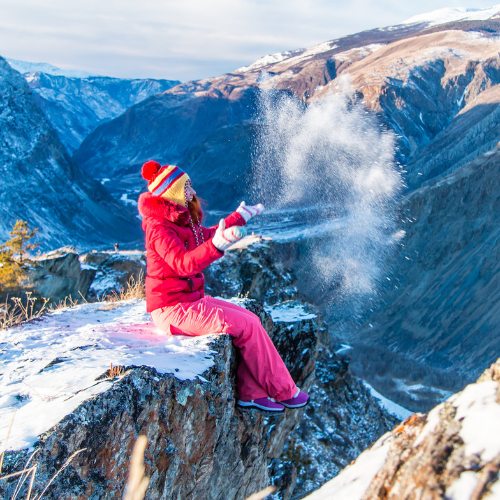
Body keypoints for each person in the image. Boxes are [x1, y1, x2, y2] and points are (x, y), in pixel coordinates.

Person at [138, 161, 309, 413]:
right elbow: (183, 265)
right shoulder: (159, 229)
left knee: (251, 319)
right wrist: (217, 247)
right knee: (248, 325)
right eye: (186, 187)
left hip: (190, 301)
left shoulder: (178, 221)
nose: (192, 191)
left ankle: (252, 393)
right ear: (172, 192)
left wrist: (237, 218)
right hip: (172, 309)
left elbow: (204, 236)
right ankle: (284, 391)